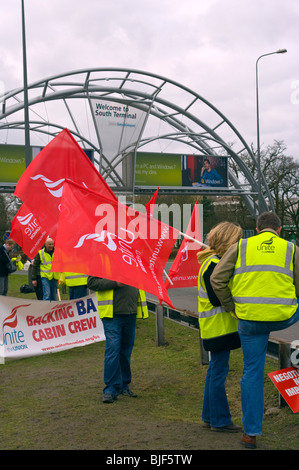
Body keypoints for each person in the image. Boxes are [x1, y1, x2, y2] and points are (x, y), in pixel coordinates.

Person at [210, 212, 299, 449]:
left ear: (257, 229)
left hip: (249, 320)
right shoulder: (291, 249)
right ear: (279, 230)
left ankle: (250, 435)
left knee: (252, 372)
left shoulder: (241, 246)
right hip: (283, 318)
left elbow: (217, 278)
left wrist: (231, 307)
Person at [197, 222, 243, 433]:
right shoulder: (214, 264)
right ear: (229, 241)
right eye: (237, 240)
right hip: (219, 327)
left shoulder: (210, 262)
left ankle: (210, 416)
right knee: (218, 373)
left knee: (214, 371)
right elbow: (218, 299)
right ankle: (220, 420)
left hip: (213, 326)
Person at [87, 276, 148, 403]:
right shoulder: (103, 258)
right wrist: (115, 283)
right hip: (112, 315)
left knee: (125, 352)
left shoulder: (132, 258)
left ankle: (123, 385)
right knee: (113, 349)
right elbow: (92, 283)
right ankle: (111, 388)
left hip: (130, 312)